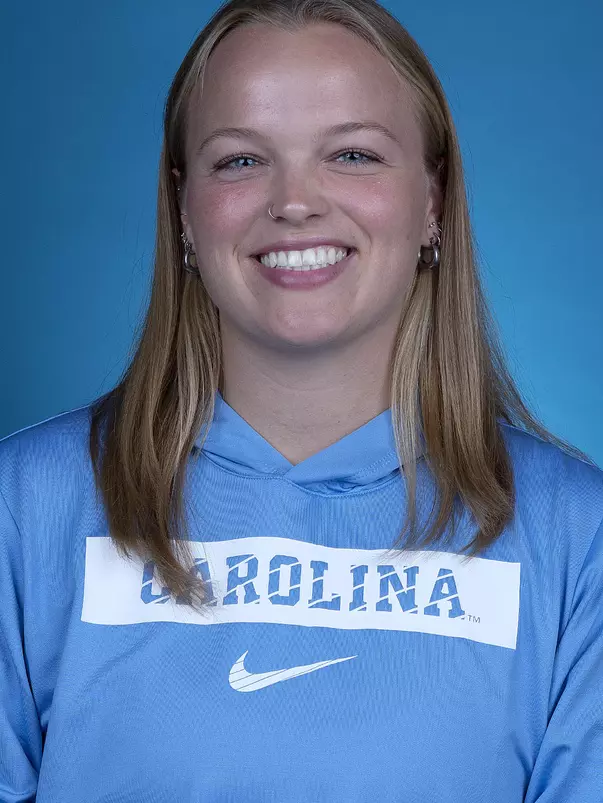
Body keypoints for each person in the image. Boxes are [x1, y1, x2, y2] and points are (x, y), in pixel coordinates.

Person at [1, 0, 602, 799]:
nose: (295, 201)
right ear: (183, 209)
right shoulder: (27, 502)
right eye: (241, 161)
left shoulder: (575, 535)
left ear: (432, 200)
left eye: (352, 154)